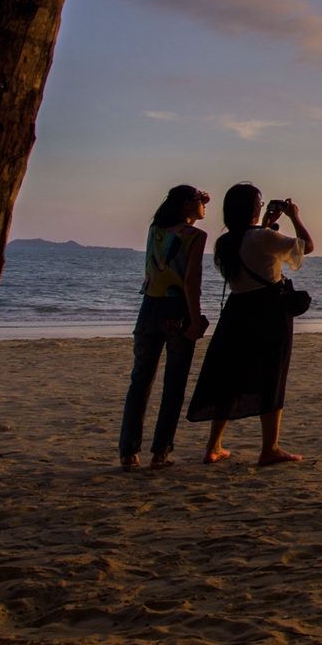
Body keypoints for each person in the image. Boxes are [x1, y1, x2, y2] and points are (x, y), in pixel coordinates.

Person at [187, 184, 314, 465]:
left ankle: (213, 446)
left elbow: (255, 251)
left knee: (230, 378)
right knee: (272, 375)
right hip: (269, 310)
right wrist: (294, 216)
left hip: (237, 310)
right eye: (258, 202)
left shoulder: (226, 242)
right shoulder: (262, 237)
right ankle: (270, 448)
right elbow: (307, 246)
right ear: (250, 208)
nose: (261, 205)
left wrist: (266, 225)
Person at [119, 185, 211, 468]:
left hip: (148, 308)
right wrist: (195, 320)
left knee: (140, 382)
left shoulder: (156, 229)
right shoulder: (197, 236)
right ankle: (160, 452)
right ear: (186, 205)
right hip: (176, 309)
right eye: (200, 202)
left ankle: (128, 452)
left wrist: (194, 207)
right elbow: (190, 282)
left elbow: (176, 238)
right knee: (173, 384)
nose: (205, 206)